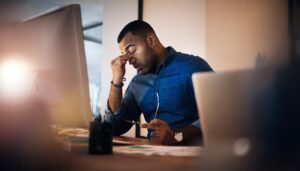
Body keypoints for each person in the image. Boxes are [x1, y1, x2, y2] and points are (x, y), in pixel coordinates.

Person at [105, 20, 213, 145]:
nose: (129, 60)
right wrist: (116, 81)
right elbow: (114, 127)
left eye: (131, 49)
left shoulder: (192, 66)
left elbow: (219, 114)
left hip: (192, 156)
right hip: (154, 156)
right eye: (124, 55)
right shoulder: (137, 83)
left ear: (151, 40)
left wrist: (176, 136)